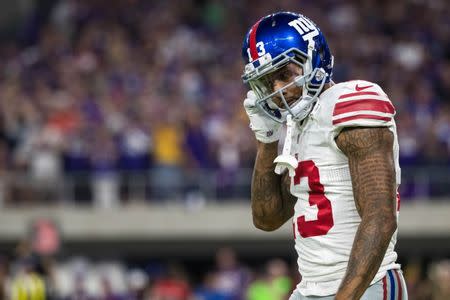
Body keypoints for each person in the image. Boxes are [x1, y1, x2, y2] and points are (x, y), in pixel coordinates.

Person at [241, 11, 408, 299]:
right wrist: (267, 138)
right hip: (310, 289)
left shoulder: (350, 101)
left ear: (314, 59)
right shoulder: (300, 126)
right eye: (268, 82)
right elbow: (266, 218)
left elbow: (380, 219)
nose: (278, 90)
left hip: (367, 285)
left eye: (284, 75)